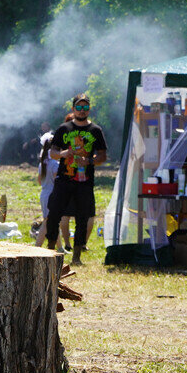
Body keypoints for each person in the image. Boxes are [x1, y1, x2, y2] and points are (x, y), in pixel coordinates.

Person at [46, 94, 107, 266]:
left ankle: (77, 257)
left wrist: (90, 160)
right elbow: (53, 152)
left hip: (85, 182)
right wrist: (64, 154)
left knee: (83, 217)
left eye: (85, 107)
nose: (82, 110)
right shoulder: (64, 128)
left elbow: (103, 155)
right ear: (73, 109)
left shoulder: (95, 130)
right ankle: (51, 251)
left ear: (89, 109)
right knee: (54, 214)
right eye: (79, 107)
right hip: (64, 179)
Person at [35, 119, 71, 250]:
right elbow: (58, 181)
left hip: (44, 193)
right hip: (52, 194)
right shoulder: (55, 164)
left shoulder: (42, 163)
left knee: (52, 222)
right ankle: (37, 246)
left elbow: (39, 181)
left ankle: (60, 248)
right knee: (48, 222)